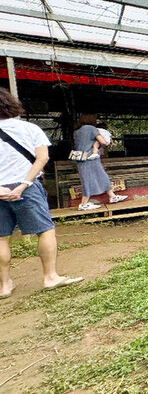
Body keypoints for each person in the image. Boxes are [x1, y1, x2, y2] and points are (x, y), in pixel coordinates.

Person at [0, 88, 83, 297]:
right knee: (45, 230)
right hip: (27, 188)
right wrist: (24, 184)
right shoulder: (30, 128)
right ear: (11, 104)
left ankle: (5, 284)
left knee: (1, 238)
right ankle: (50, 277)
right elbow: (42, 158)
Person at [73, 114, 128, 210]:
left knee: (88, 179)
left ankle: (112, 196)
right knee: (100, 177)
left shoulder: (77, 132)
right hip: (91, 158)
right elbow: (102, 141)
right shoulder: (92, 129)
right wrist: (105, 142)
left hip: (81, 159)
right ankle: (83, 204)